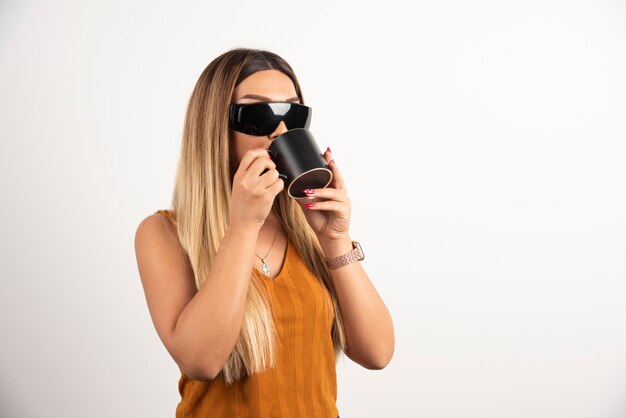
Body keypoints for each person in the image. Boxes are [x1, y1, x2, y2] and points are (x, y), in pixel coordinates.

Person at [134, 48, 394, 418]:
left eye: (294, 113)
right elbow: (201, 361)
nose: (280, 130)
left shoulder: (306, 225)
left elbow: (377, 353)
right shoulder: (164, 233)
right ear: (214, 127)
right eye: (257, 115)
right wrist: (242, 226)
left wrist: (335, 238)